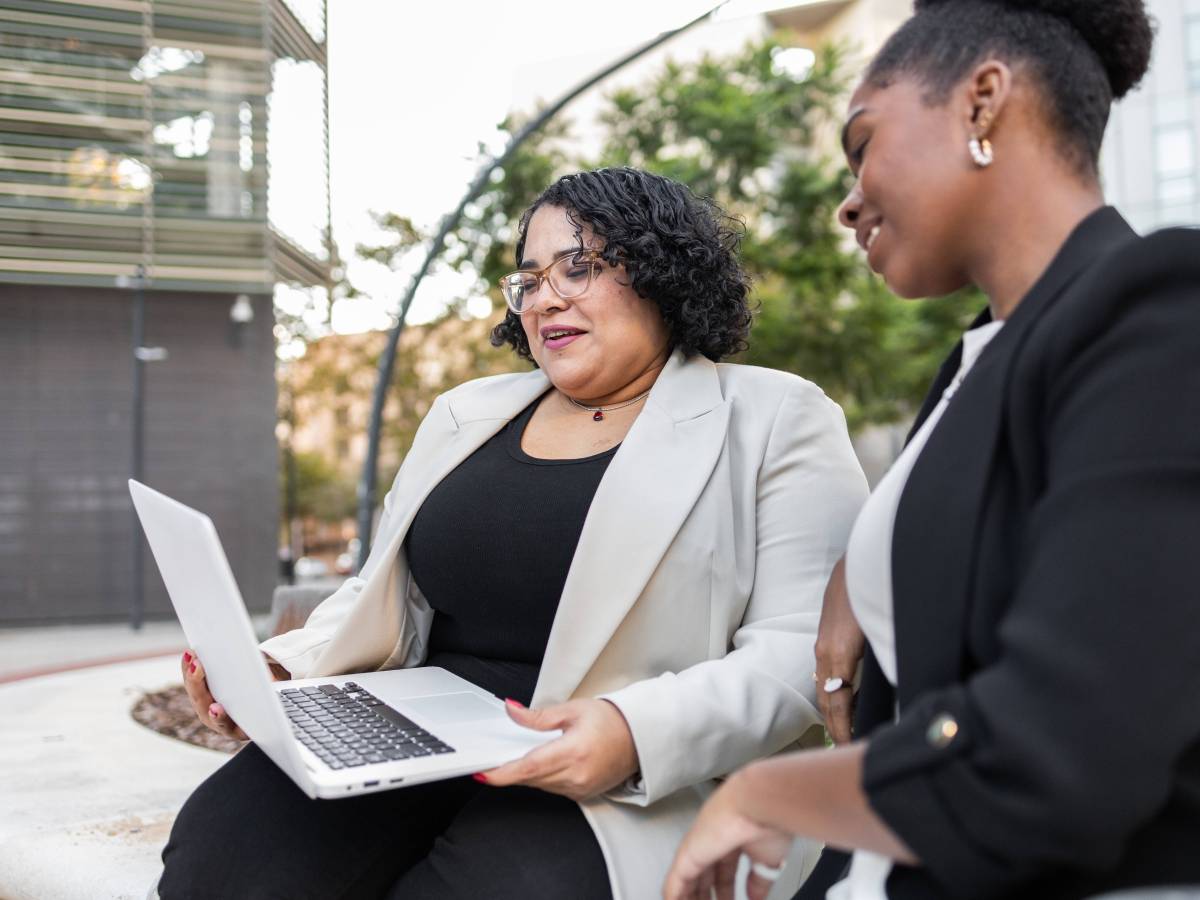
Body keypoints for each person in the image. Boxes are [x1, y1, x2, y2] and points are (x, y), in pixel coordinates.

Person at [159, 167, 868, 899]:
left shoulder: (777, 417)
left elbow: (800, 649)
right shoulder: (466, 414)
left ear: (664, 273)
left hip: (626, 777)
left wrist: (631, 732)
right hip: (421, 732)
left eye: (581, 267)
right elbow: (384, 593)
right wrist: (279, 672)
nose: (546, 297)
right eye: (529, 279)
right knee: (222, 857)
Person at [665, 1, 1200, 898]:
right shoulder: (974, 363)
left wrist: (772, 790)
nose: (848, 200)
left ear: (982, 102)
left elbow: (1067, 742)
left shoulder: (1154, 311)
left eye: (863, 142)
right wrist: (859, 564)